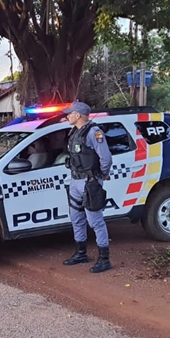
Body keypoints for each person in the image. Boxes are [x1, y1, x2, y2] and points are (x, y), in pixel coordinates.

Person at [61, 101, 113, 273]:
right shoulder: (75, 132)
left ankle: (104, 259)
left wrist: (102, 174)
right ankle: (81, 253)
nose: (67, 116)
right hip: (75, 181)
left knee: (95, 221)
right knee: (76, 219)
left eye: (70, 113)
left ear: (79, 115)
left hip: (90, 182)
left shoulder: (94, 132)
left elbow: (105, 158)